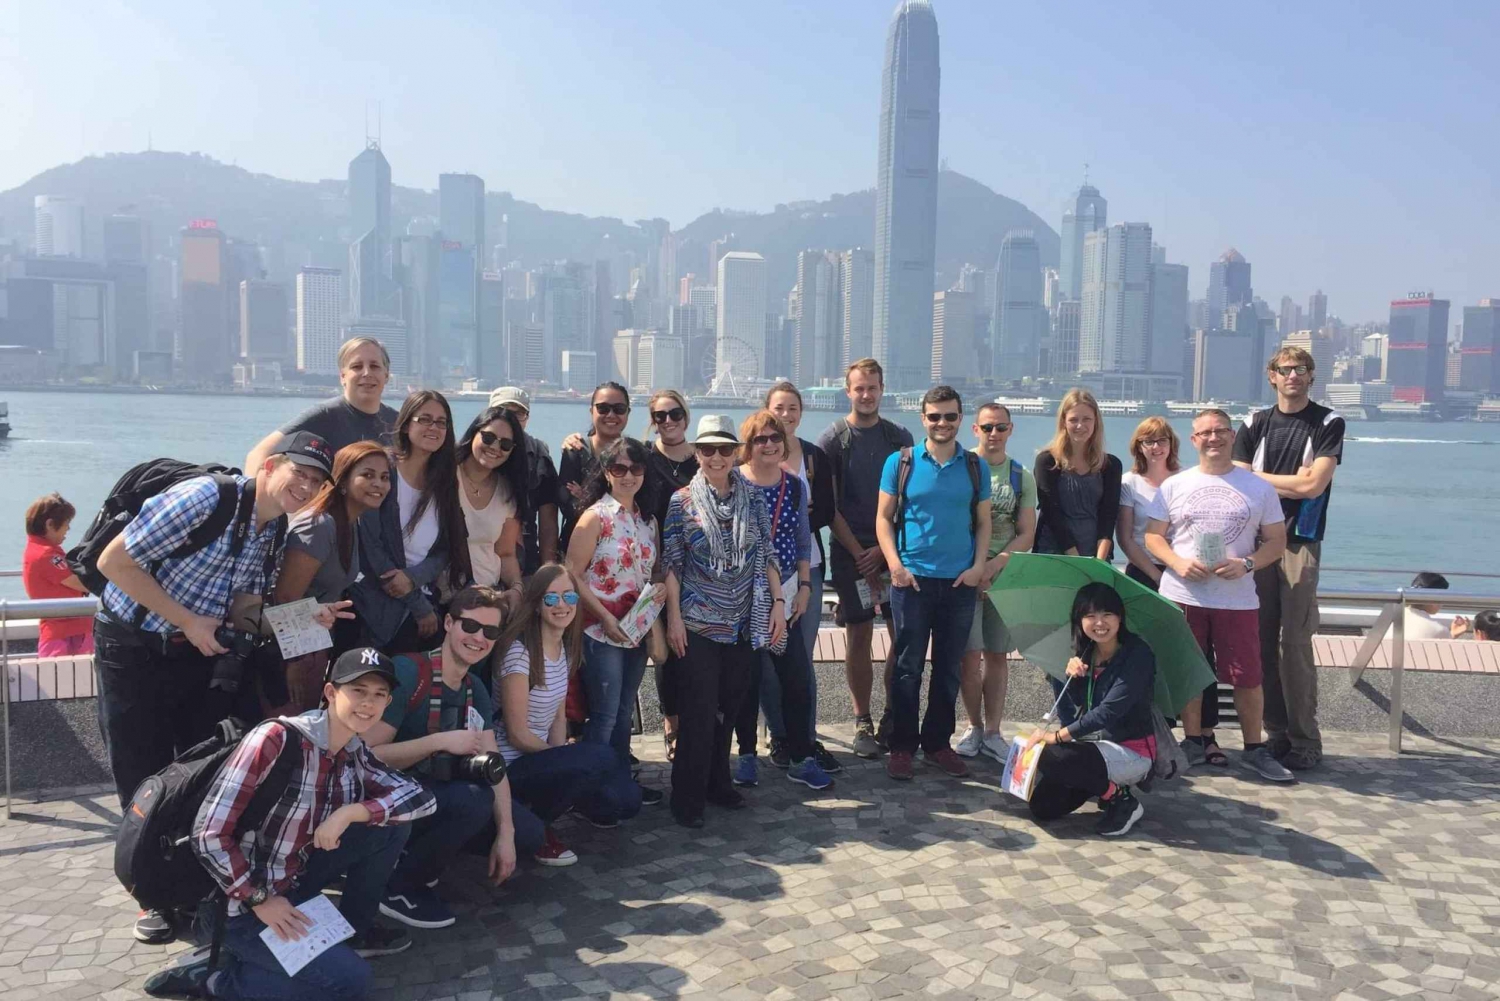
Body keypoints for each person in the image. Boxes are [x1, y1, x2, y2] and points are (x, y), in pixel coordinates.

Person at [94, 432, 344, 945]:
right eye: (300, 472)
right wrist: (186, 620)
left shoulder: (273, 531)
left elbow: (242, 609)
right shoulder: (207, 497)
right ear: (271, 465)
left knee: (195, 767)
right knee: (139, 770)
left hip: (192, 652)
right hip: (132, 647)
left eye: (317, 480)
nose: (307, 485)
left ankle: (188, 881)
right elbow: (114, 564)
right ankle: (149, 894)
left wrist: (304, 617)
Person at [144, 648, 436, 1000]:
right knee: (351, 984)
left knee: (389, 825)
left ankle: (349, 933)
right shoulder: (277, 739)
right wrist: (260, 899)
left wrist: (351, 813)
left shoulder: (353, 749)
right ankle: (216, 978)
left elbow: (421, 798)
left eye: (378, 695)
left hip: (293, 882)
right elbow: (207, 834)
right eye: (358, 691)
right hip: (239, 903)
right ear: (330, 693)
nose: (368, 703)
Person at [1144, 409, 1294, 783]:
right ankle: (1193, 741)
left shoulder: (1258, 487)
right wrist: (1176, 563)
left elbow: (1277, 541)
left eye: (1221, 432)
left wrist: (1247, 563)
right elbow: (1152, 537)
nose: (1213, 438)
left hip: (1237, 597)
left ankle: (1254, 748)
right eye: (1205, 433)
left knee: (1247, 676)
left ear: (1232, 436)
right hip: (1184, 593)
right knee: (1190, 673)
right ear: (1193, 440)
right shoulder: (1175, 485)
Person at [662, 416, 788, 828]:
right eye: (707, 449)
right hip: (697, 622)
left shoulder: (752, 496)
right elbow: (672, 564)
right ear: (697, 453)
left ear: (737, 452)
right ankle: (687, 797)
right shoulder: (681, 501)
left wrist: (778, 604)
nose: (716, 457)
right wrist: (675, 619)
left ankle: (718, 782)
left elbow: (766, 553)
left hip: (742, 622)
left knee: (727, 710)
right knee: (698, 713)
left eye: (724, 449)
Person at [1233, 345, 1345, 772]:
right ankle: (1276, 733)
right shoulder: (1254, 422)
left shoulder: (1328, 422)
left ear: (1311, 376)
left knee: (1294, 643)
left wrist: (1264, 480)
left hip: (1300, 542)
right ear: (1272, 376)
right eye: (1286, 369)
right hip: (1257, 543)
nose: (1293, 375)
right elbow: (1237, 482)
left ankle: (1305, 739)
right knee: (1259, 641)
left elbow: (1314, 487)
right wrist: (1290, 481)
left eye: (1301, 369)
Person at [875, 385, 990, 782]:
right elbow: (883, 519)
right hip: (912, 582)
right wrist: (895, 566)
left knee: (949, 669)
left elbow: (984, 522)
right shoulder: (901, 461)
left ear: (961, 419)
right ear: (923, 419)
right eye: (935, 416)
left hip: (959, 583)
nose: (943, 423)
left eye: (951, 416)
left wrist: (978, 568)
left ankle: (938, 743)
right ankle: (902, 745)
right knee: (907, 668)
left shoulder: (975, 466)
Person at [494, 564, 642, 860]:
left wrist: (562, 760)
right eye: (551, 599)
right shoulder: (519, 653)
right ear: (536, 604)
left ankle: (552, 804)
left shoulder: (565, 648)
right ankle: (539, 826)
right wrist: (560, 758)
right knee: (599, 757)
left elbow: (558, 717)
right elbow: (517, 733)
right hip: (511, 766)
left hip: (541, 757)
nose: (562, 605)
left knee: (627, 800)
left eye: (570, 597)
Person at [729, 411, 835, 792]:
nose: (770, 444)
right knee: (747, 677)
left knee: (796, 676)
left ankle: (801, 755)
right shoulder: (734, 482)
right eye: (761, 439)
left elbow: (803, 538)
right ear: (748, 444)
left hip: (787, 589)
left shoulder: (794, 486)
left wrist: (805, 585)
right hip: (742, 593)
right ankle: (746, 756)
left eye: (776, 438)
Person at [815, 358, 913, 760]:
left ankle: (893, 714)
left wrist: (884, 549)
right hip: (849, 552)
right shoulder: (833, 440)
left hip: (892, 550)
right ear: (848, 390)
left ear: (882, 388)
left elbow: (909, 498)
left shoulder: (900, 437)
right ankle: (862, 720)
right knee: (858, 634)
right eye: (859, 388)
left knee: (901, 632)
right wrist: (860, 553)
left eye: (873, 387)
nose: (866, 394)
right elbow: (827, 506)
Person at [564, 436, 665, 807]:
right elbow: (572, 573)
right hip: (599, 628)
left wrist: (656, 600)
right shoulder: (594, 517)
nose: (628, 476)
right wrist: (605, 617)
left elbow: (652, 572)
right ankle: (588, 791)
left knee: (624, 712)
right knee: (604, 715)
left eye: (635, 468)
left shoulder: (647, 521)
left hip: (635, 629)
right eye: (619, 468)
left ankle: (619, 782)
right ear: (607, 473)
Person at [1022, 583, 1157, 838]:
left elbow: (1108, 712)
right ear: (1079, 619)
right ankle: (1104, 786)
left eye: (1107, 614)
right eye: (1090, 615)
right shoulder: (1087, 652)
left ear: (1120, 617)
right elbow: (1080, 704)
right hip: (1095, 747)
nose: (1099, 623)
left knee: (1052, 753)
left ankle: (1121, 799)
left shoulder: (1138, 655)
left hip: (1132, 751)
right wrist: (1074, 676)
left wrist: (1058, 736)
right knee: (1043, 807)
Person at [271, 442, 392, 712]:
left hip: (314, 645)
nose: (379, 484)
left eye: (385, 478)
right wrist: (294, 662)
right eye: (368, 475)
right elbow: (285, 597)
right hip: (288, 651)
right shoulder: (319, 526)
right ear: (344, 481)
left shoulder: (350, 523)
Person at [350, 390, 471, 653]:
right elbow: (371, 546)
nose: (433, 427)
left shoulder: (444, 480)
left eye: (441, 422)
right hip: (379, 605)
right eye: (424, 419)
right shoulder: (383, 471)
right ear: (406, 424)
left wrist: (414, 580)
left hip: (425, 597)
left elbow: (446, 548)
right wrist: (417, 605)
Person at [762, 382, 840, 773]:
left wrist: (804, 511)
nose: (787, 415)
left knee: (800, 659)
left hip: (806, 565)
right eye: (779, 408)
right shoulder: (756, 453)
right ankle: (779, 735)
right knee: (769, 658)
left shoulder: (813, 456)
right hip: (761, 575)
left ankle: (805, 738)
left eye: (793, 408)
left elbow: (827, 510)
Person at [956, 402, 1036, 763]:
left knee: (997, 656)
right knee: (969, 656)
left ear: (1010, 430)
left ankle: (993, 730)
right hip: (964, 573)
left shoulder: (1022, 476)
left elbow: (1027, 533)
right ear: (975, 430)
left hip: (1004, 577)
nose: (994, 434)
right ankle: (973, 726)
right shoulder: (962, 468)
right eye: (987, 427)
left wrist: (996, 565)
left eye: (1000, 428)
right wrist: (976, 568)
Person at [641, 390, 696, 761]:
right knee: (666, 654)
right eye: (660, 416)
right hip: (657, 569)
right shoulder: (644, 458)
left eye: (674, 413)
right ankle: (672, 725)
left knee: (698, 653)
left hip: (703, 570)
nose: (668, 421)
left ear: (686, 415)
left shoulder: (706, 455)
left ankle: (700, 725)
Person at [244, 337, 396, 471]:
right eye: (357, 367)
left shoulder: (398, 422)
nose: (366, 373)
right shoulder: (324, 415)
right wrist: (256, 497)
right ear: (343, 377)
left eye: (374, 366)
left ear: (386, 376)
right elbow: (258, 454)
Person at [1033, 388, 1122, 561]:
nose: (1080, 426)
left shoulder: (1111, 465)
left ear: (1096, 421)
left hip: (1096, 555)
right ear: (1063, 423)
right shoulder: (1047, 462)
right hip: (1053, 554)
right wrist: (1074, 557)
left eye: (1087, 419)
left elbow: (1108, 515)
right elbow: (1052, 512)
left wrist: (1099, 560)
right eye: (1073, 420)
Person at [455, 406, 526, 602]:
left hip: (488, 597)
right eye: (488, 438)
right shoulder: (445, 477)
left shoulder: (507, 492)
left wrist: (517, 588)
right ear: (473, 433)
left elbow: (505, 552)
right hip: (444, 595)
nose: (495, 447)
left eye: (505, 444)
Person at [488, 386, 560, 576]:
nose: (510, 419)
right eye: (502, 412)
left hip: (524, 558)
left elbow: (548, 520)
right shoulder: (478, 449)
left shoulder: (539, 455)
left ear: (526, 418)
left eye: (517, 414)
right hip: (480, 554)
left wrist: (547, 572)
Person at [557, 381, 632, 551]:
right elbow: (568, 507)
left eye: (619, 409)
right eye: (603, 408)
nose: (611, 415)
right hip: (578, 548)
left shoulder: (633, 455)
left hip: (623, 549)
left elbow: (638, 505)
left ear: (628, 413)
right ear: (592, 411)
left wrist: (586, 497)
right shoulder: (575, 451)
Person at [22, 493, 93, 657]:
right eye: (67, 523)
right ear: (50, 524)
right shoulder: (45, 555)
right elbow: (81, 583)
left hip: (67, 631)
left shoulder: (39, 550)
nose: (68, 529)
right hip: (66, 635)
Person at [1404, 572, 1466, 640]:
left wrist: (1450, 635)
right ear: (1433, 598)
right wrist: (1448, 635)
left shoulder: (1394, 619)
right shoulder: (1439, 630)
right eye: (1443, 596)